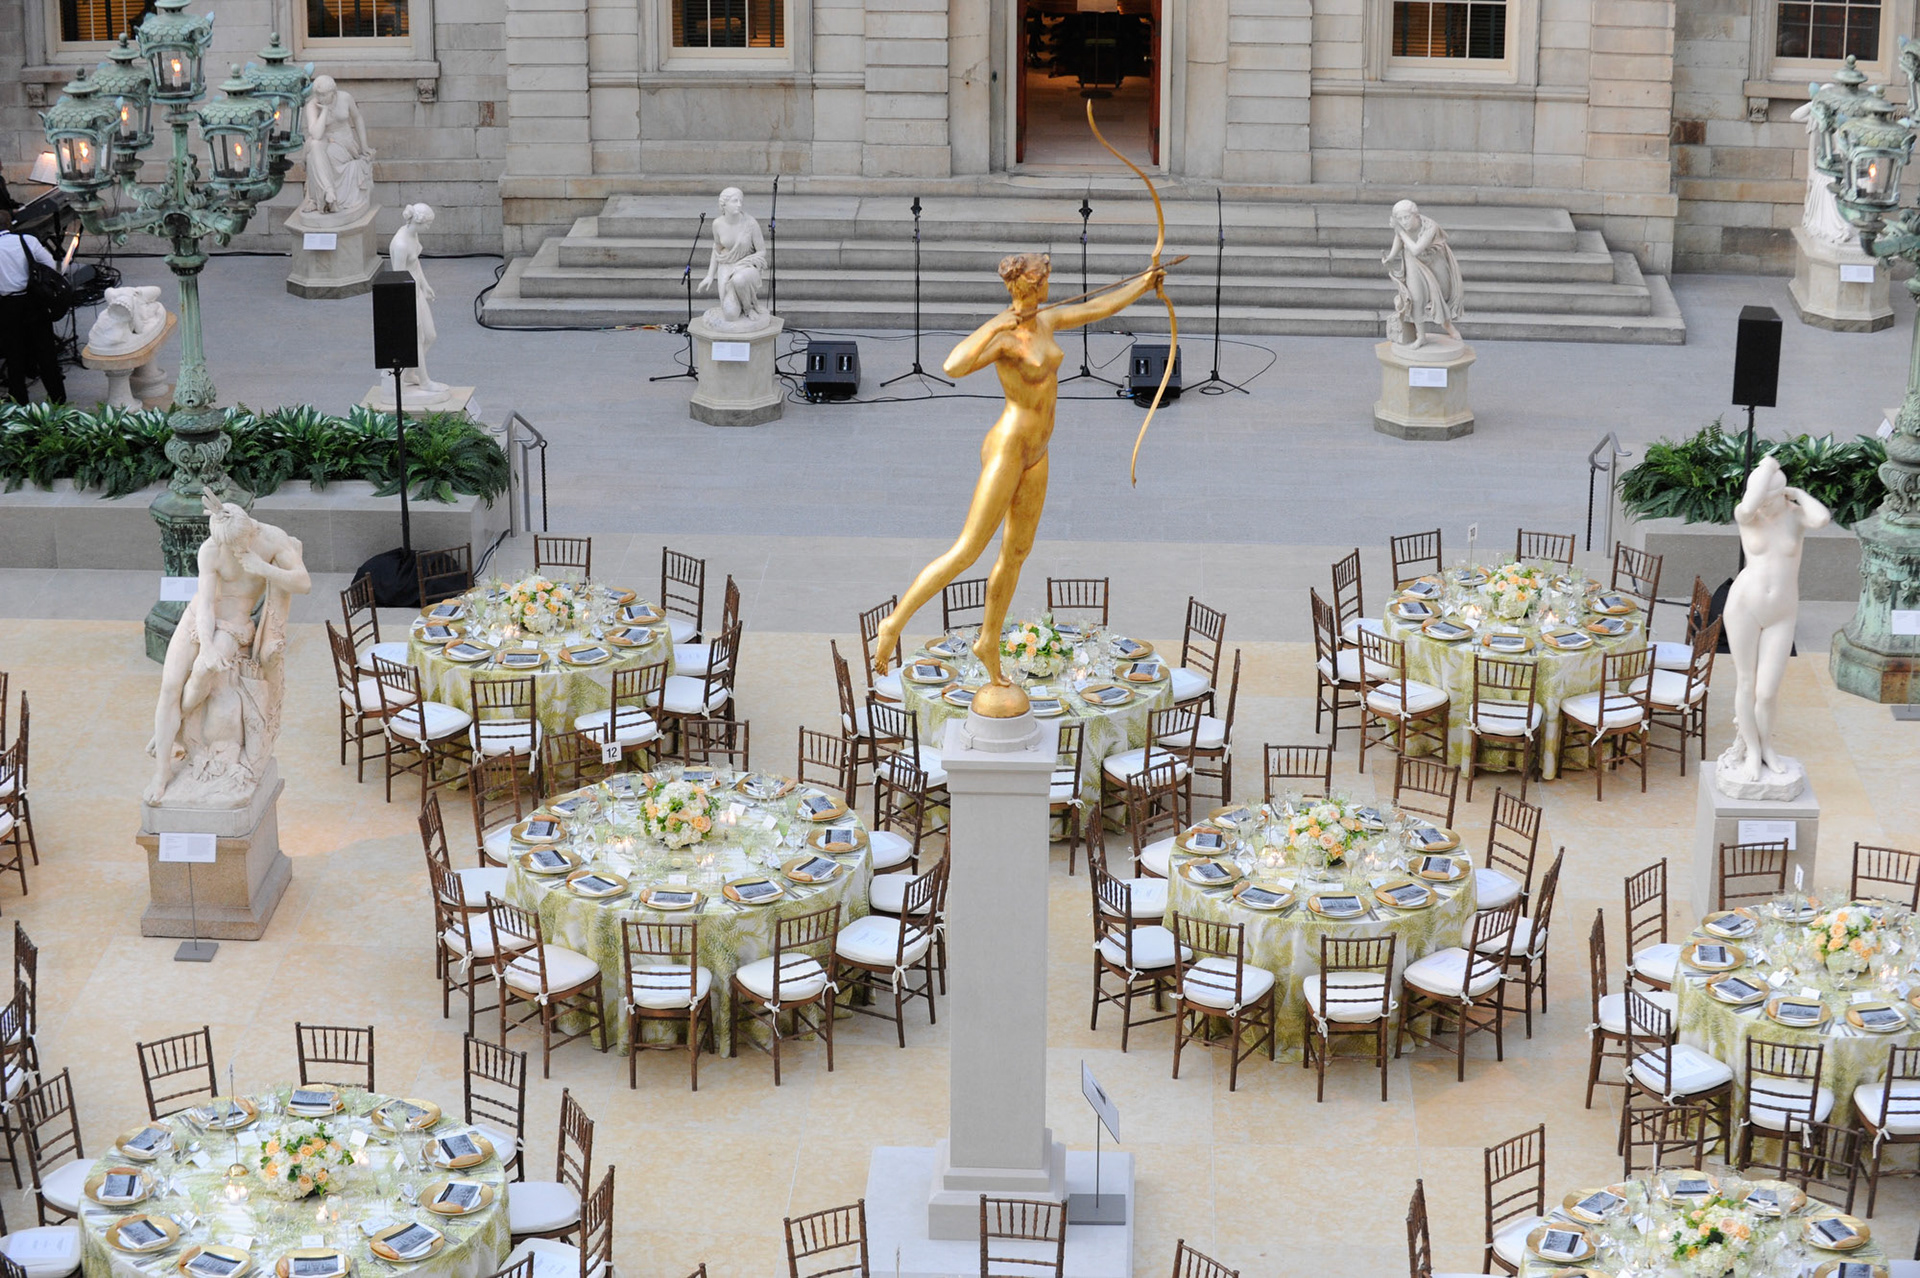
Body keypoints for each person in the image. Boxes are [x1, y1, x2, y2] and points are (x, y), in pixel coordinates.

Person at [869, 251, 1165, 709]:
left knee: (1017, 553)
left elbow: (1097, 308)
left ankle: (989, 641)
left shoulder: (1046, 319)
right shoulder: (1006, 337)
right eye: (1040, 278)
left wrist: (1144, 284)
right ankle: (894, 624)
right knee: (968, 550)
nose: (1047, 283)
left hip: (1038, 451)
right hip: (1009, 445)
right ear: (1021, 285)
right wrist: (996, 324)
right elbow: (953, 365)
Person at [146, 493, 311, 806]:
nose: (232, 552)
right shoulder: (211, 550)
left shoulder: (272, 539)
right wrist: (205, 644)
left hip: (235, 625)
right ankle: (161, 770)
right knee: (169, 685)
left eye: (236, 546)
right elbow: (205, 604)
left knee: (204, 671)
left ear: (250, 532)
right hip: (200, 618)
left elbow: (304, 583)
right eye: (225, 546)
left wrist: (263, 568)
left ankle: (170, 724)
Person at [1720, 454, 1830, 787]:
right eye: (1759, 500)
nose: (1762, 507)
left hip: (1782, 612)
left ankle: (1767, 745)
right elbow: (1748, 501)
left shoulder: (1795, 517)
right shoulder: (1748, 516)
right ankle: (1752, 749)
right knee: (1746, 682)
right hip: (1744, 606)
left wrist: (1797, 493)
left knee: (1767, 692)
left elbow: (1823, 518)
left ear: (1782, 496)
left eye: (1770, 500)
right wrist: (1766, 468)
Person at [0, 208, 67, 403]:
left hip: (7, 305)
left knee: (14, 355)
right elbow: (52, 267)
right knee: (46, 352)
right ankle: (58, 400)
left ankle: (19, 403)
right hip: (33, 302)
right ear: (10, 225)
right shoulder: (26, 241)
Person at [1382, 199, 1465, 350]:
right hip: (1413, 261)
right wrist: (1391, 256)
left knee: (1443, 295)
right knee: (1415, 298)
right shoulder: (1401, 226)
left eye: (1406, 217)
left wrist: (1400, 230)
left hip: (1434, 259)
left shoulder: (1429, 226)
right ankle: (1421, 337)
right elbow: (1399, 238)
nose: (1403, 222)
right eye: (1399, 219)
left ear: (1416, 215)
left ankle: (1447, 325)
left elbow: (1416, 249)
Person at [300, 75, 375, 216]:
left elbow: (357, 118)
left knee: (319, 156)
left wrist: (364, 145)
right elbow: (316, 134)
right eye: (318, 94)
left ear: (333, 92)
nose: (320, 98)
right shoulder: (312, 106)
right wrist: (324, 111)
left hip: (344, 143)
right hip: (322, 140)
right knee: (315, 146)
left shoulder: (345, 98)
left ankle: (320, 197)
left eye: (323, 95)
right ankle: (328, 192)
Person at [696, 187, 769, 328]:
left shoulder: (751, 223)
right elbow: (717, 249)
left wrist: (743, 263)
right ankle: (737, 305)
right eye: (735, 201)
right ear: (724, 204)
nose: (739, 204)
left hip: (747, 266)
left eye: (741, 201)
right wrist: (710, 275)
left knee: (739, 279)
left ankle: (748, 308)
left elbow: (762, 251)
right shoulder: (717, 224)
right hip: (727, 264)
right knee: (730, 315)